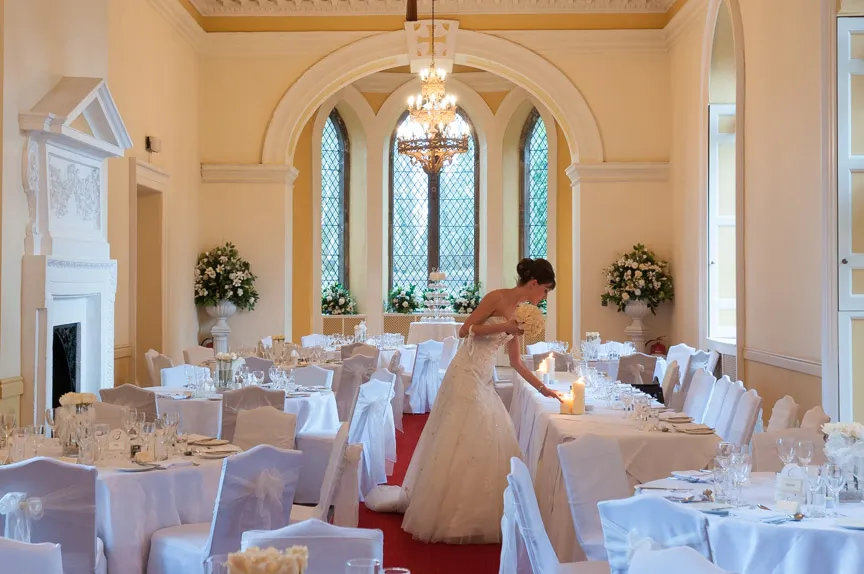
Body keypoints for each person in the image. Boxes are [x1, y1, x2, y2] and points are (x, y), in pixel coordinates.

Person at [400, 258, 561, 544]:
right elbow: (465, 330)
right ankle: (449, 514)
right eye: (545, 290)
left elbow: (516, 362)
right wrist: (505, 327)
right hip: (465, 372)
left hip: (484, 377)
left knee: (492, 433)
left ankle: (478, 513)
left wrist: (543, 388)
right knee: (468, 431)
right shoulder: (497, 298)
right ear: (534, 283)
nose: (544, 297)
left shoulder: (524, 312)